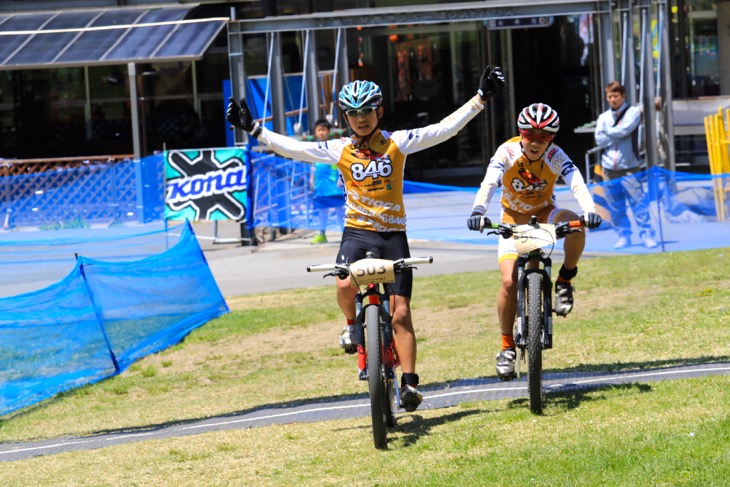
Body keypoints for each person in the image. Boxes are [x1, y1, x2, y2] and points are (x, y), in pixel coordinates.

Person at [227, 66, 506, 411]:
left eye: (366, 111)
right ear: (345, 116)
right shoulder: (339, 147)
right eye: (353, 113)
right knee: (344, 285)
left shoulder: (397, 143)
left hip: (393, 236)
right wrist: (256, 130)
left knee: (400, 312)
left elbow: (443, 130)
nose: (360, 119)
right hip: (356, 234)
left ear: (380, 112)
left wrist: (479, 100)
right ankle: (351, 326)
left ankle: (410, 383)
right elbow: (296, 149)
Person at [466, 103, 602, 381]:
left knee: (576, 225)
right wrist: (478, 211)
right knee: (508, 282)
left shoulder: (555, 155)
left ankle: (564, 280)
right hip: (512, 219)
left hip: (544, 213)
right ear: (521, 133)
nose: (536, 142)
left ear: (552, 138)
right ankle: (506, 347)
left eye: (545, 136)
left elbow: (575, 180)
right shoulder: (507, 152)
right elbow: (489, 183)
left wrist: (591, 210)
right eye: (530, 135)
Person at [594, 81, 658, 249]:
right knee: (615, 206)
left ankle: (647, 235)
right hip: (609, 167)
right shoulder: (603, 117)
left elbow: (625, 130)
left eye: (616, 96)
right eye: (610, 96)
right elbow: (599, 140)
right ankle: (624, 236)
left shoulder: (633, 112)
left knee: (639, 203)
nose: (613, 99)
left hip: (630, 167)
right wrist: (615, 133)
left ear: (623, 96)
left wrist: (610, 132)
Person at [309, 119, 345, 244]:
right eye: (319, 130)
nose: (321, 133)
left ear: (328, 132)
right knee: (322, 211)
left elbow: (339, 164)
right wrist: (311, 179)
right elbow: (313, 165)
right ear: (315, 132)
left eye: (323, 130)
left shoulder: (333, 147)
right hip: (321, 186)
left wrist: (340, 179)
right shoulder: (314, 148)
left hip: (334, 186)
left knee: (340, 210)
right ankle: (321, 234)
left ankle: (345, 234)